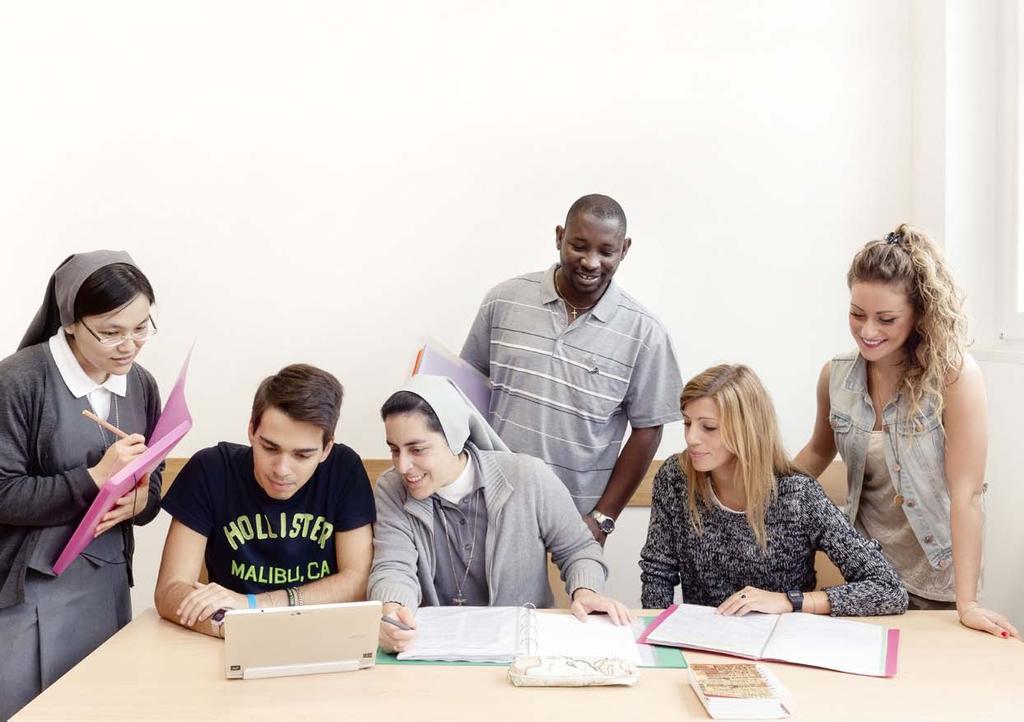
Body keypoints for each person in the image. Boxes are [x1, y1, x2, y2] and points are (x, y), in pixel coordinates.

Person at [795, 224, 1019, 638]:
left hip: (937, 579)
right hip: (867, 578)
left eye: (886, 319)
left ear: (919, 313)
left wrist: (967, 604)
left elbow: (967, 494)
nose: (868, 331)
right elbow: (815, 454)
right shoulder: (836, 376)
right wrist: (757, 487)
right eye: (857, 314)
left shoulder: (954, 378)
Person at [460, 193, 682, 544]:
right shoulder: (503, 300)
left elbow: (648, 430)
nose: (591, 262)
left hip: (573, 528)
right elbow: (465, 390)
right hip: (488, 512)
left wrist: (603, 518)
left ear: (624, 250)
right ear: (559, 236)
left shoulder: (645, 333)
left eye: (606, 251)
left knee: (572, 603)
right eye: (579, 246)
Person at [0, 251, 164, 720]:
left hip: (106, 581)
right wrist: (94, 478)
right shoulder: (18, 380)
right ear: (71, 321)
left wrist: (139, 503)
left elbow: (151, 481)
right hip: (30, 590)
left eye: (141, 327)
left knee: (102, 706)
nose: (128, 345)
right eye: (110, 332)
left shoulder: (141, 385)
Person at [370, 375, 631, 654]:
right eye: (394, 449)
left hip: (524, 649)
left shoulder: (528, 476)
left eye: (417, 449)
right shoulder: (391, 488)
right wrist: (392, 611)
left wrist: (586, 592)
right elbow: (393, 566)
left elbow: (579, 549)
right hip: (436, 653)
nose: (403, 465)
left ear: (456, 437)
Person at [640, 364, 907, 617]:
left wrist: (790, 601)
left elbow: (888, 589)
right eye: (687, 423)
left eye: (708, 427)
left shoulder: (798, 495)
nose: (691, 438)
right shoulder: (675, 478)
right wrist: (657, 638)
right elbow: (657, 573)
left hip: (781, 642)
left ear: (747, 429)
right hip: (705, 645)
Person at [155, 364, 375, 638]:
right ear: (251, 430)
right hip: (230, 636)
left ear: (326, 449)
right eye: (269, 448)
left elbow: (358, 580)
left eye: (302, 455)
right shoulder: (211, 469)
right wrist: (237, 627)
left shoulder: (344, 469)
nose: (282, 469)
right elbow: (170, 590)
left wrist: (253, 607)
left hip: (321, 634)